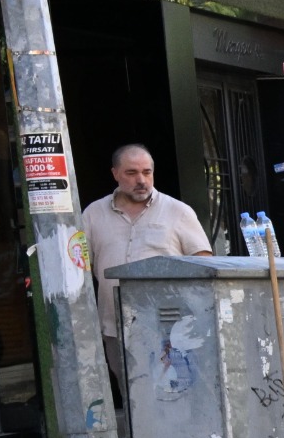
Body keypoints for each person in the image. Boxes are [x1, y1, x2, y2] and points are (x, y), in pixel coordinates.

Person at [81, 143, 211, 399]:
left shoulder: (177, 211)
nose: (141, 180)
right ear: (115, 173)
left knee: (172, 395)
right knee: (132, 396)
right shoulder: (94, 214)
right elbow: (81, 266)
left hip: (168, 328)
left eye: (147, 172)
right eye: (131, 173)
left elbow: (204, 263)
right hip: (115, 324)